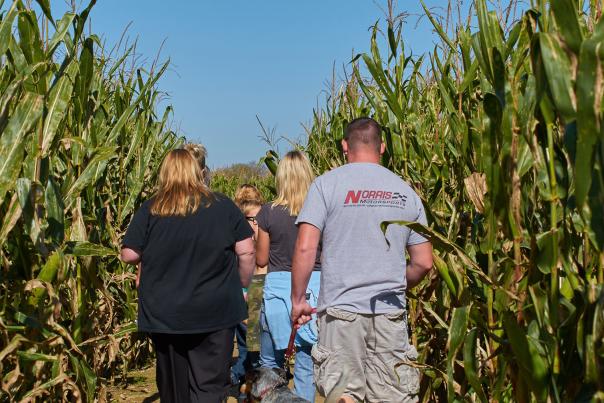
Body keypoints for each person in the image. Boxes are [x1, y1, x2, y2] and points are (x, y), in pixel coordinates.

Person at [291, 117, 433, 403]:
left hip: (341, 313)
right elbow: (424, 263)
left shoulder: (325, 186)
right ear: (382, 147)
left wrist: (298, 301)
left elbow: (306, 248)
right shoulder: (406, 192)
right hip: (390, 314)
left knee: (344, 396)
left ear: (345, 145)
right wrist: (391, 280)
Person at [120, 149, 255, 403]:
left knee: (173, 387)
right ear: (198, 171)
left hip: (165, 314)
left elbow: (128, 254)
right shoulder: (222, 205)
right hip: (216, 311)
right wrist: (242, 285)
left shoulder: (152, 208)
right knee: (210, 386)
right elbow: (247, 251)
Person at [256, 150, 320, 402]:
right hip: (313, 288)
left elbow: (261, 259)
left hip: (278, 292)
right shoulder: (319, 211)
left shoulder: (268, 212)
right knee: (306, 362)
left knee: (269, 362)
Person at [230, 184, 264, 387]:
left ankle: (243, 379)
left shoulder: (262, 237)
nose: (256, 224)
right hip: (241, 294)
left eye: (258, 220)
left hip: (256, 291)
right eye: (252, 220)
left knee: (252, 344)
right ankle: (242, 379)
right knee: (246, 344)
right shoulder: (238, 240)